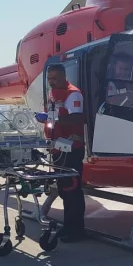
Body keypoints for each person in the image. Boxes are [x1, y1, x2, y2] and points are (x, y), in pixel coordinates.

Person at [43, 63, 87, 242]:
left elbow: (76, 118)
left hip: (71, 149)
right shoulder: (53, 93)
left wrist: (53, 118)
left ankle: (77, 230)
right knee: (63, 189)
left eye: (54, 78)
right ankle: (68, 226)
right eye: (49, 79)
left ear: (63, 77)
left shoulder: (73, 94)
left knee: (72, 189)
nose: (51, 82)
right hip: (57, 148)